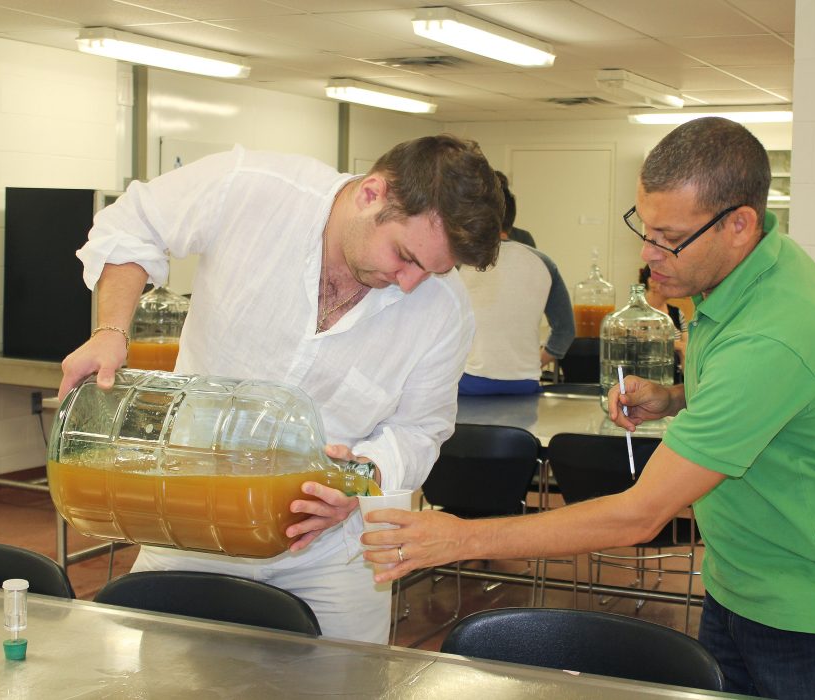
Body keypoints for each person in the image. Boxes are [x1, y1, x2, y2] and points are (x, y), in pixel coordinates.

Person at [364, 117, 815, 699]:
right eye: (643, 227)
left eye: (668, 236)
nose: (648, 253)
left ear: (739, 225)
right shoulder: (746, 271)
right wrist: (676, 398)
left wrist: (461, 540)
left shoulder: (774, 334)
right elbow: (765, 400)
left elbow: (638, 516)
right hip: (739, 583)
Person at [57, 134, 504, 644]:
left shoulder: (443, 313)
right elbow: (132, 225)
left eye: (432, 271)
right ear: (372, 193)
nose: (409, 283)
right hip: (191, 519)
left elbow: (419, 430)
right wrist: (110, 330)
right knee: (168, 682)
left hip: (326, 549)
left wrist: (357, 481)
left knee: (344, 686)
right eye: (405, 256)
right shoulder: (252, 188)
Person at [458, 172, 575, 395]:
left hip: (468, 382)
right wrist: (533, 362)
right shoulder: (544, 263)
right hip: (525, 384)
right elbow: (565, 330)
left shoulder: (462, 262)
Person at [640, 264, 688, 381]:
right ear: (651, 282)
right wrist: (678, 346)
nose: (674, 285)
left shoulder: (677, 312)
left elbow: (687, 345)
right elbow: (640, 339)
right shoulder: (637, 312)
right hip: (647, 377)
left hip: (676, 378)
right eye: (668, 279)